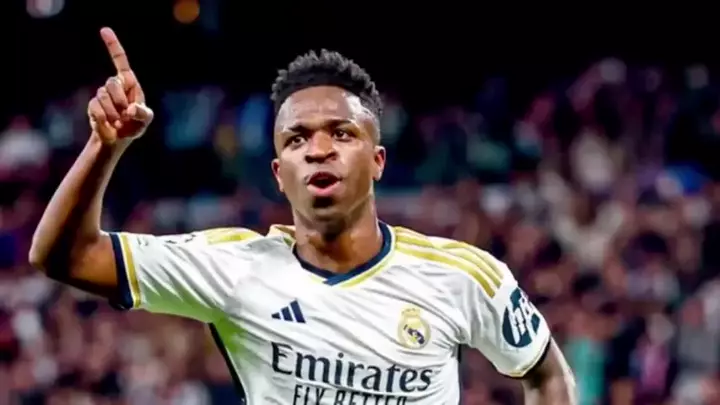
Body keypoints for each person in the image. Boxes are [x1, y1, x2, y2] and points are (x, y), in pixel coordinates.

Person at [29, 27, 576, 405]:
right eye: (297, 139)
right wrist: (105, 147)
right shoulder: (232, 267)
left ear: (378, 160)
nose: (318, 150)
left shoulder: (464, 276)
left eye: (342, 133)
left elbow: (545, 373)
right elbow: (63, 256)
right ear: (278, 172)